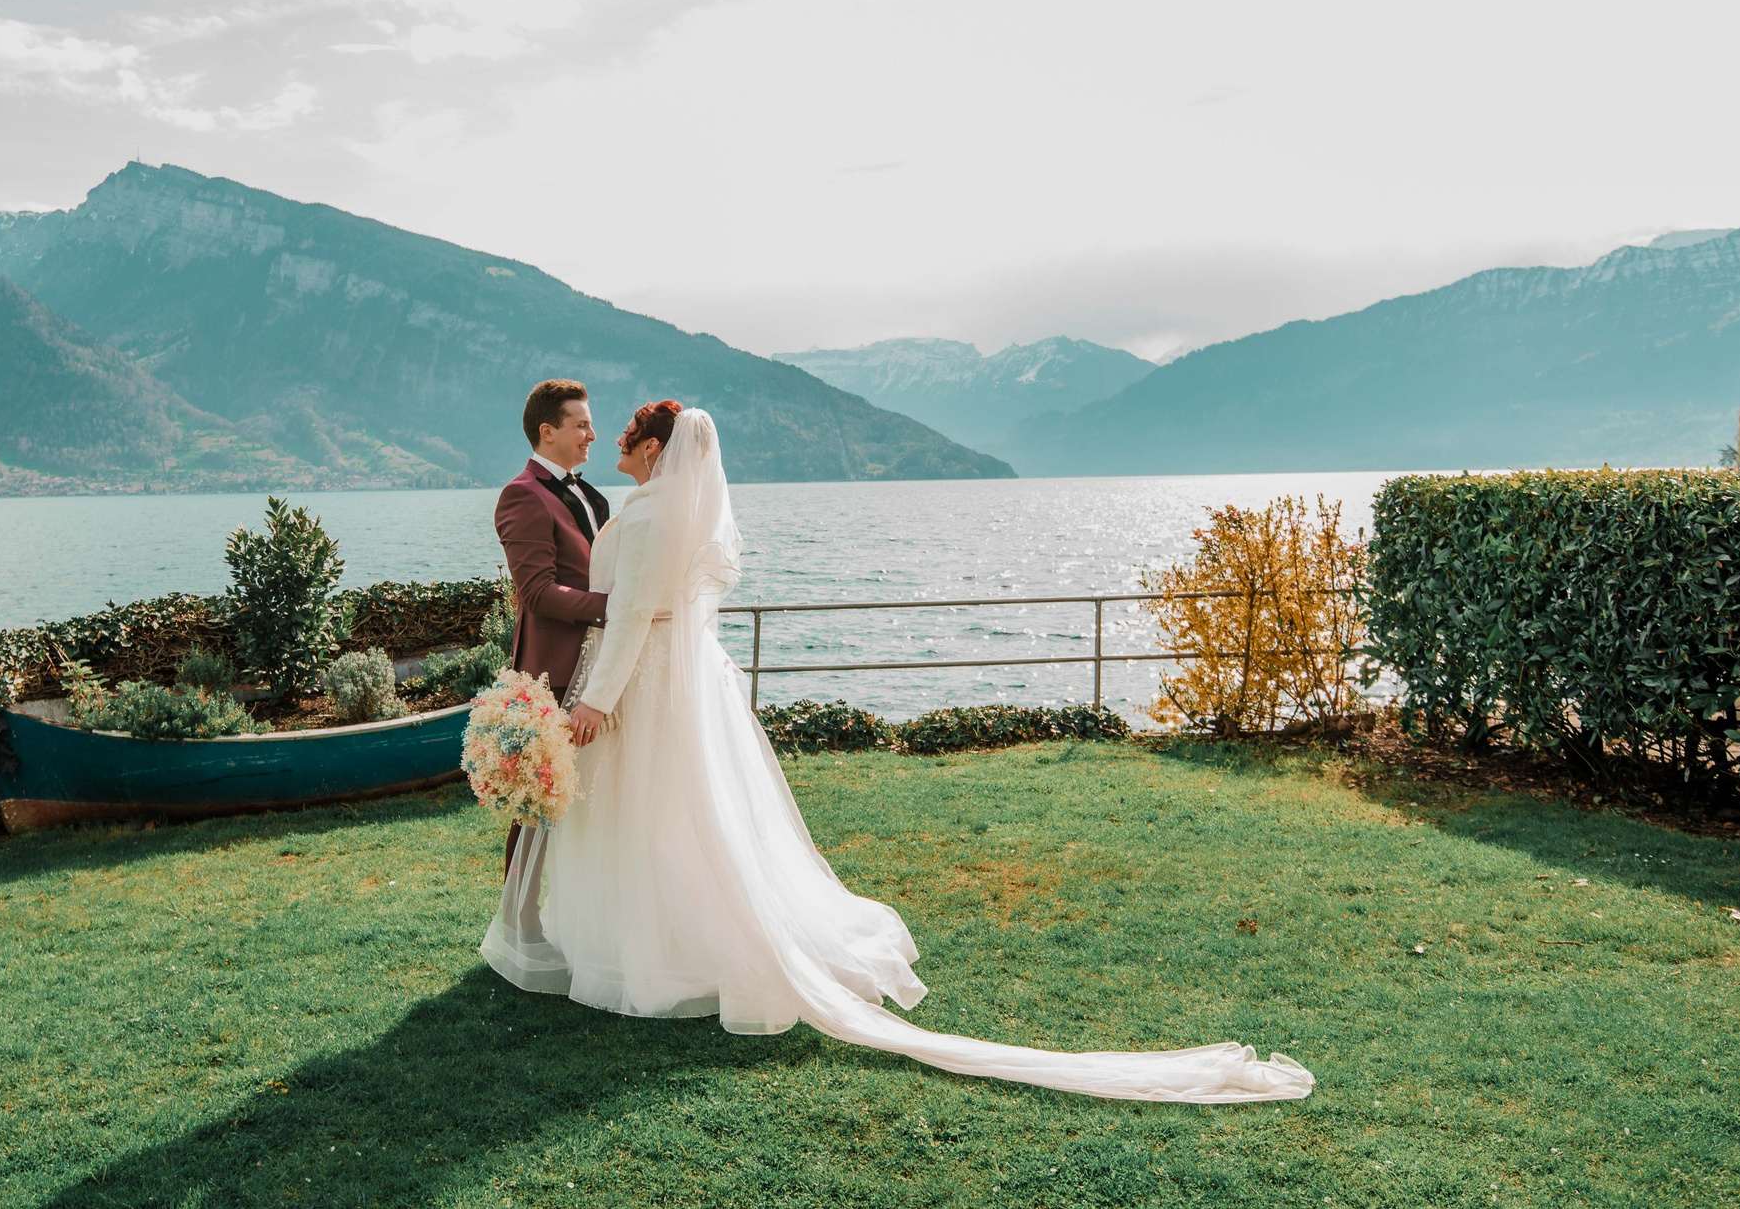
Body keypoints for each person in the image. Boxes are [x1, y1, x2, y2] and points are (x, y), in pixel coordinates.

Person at [482, 401, 1315, 1103]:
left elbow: (629, 616)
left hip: (644, 683)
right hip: (675, 679)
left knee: (652, 817)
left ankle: (659, 952)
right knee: (677, 818)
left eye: (622, 431)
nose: (611, 440)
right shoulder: (677, 513)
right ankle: (661, 933)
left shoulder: (653, 514)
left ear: (654, 449)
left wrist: (594, 700)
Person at [491, 379, 612, 871]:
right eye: (581, 425)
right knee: (537, 806)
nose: (592, 434)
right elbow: (537, 593)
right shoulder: (522, 496)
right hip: (553, 674)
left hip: (597, 666)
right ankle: (520, 926)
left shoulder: (585, 492)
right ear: (547, 432)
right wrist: (614, 606)